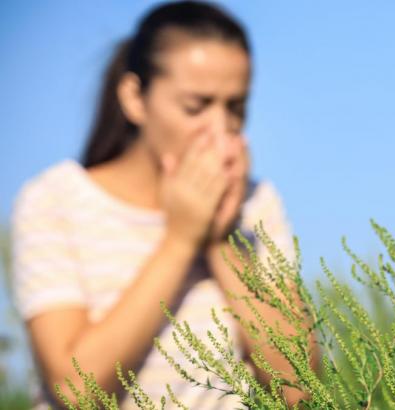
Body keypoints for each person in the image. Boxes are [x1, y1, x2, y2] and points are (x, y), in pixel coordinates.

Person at [10, 1, 312, 408]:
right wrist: (180, 240)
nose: (219, 130)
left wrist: (220, 240)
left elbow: (298, 387)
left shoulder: (256, 204)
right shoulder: (56, 199)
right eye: (196, 107)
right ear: (135, 98)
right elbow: (76, 389)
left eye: (236, 108)